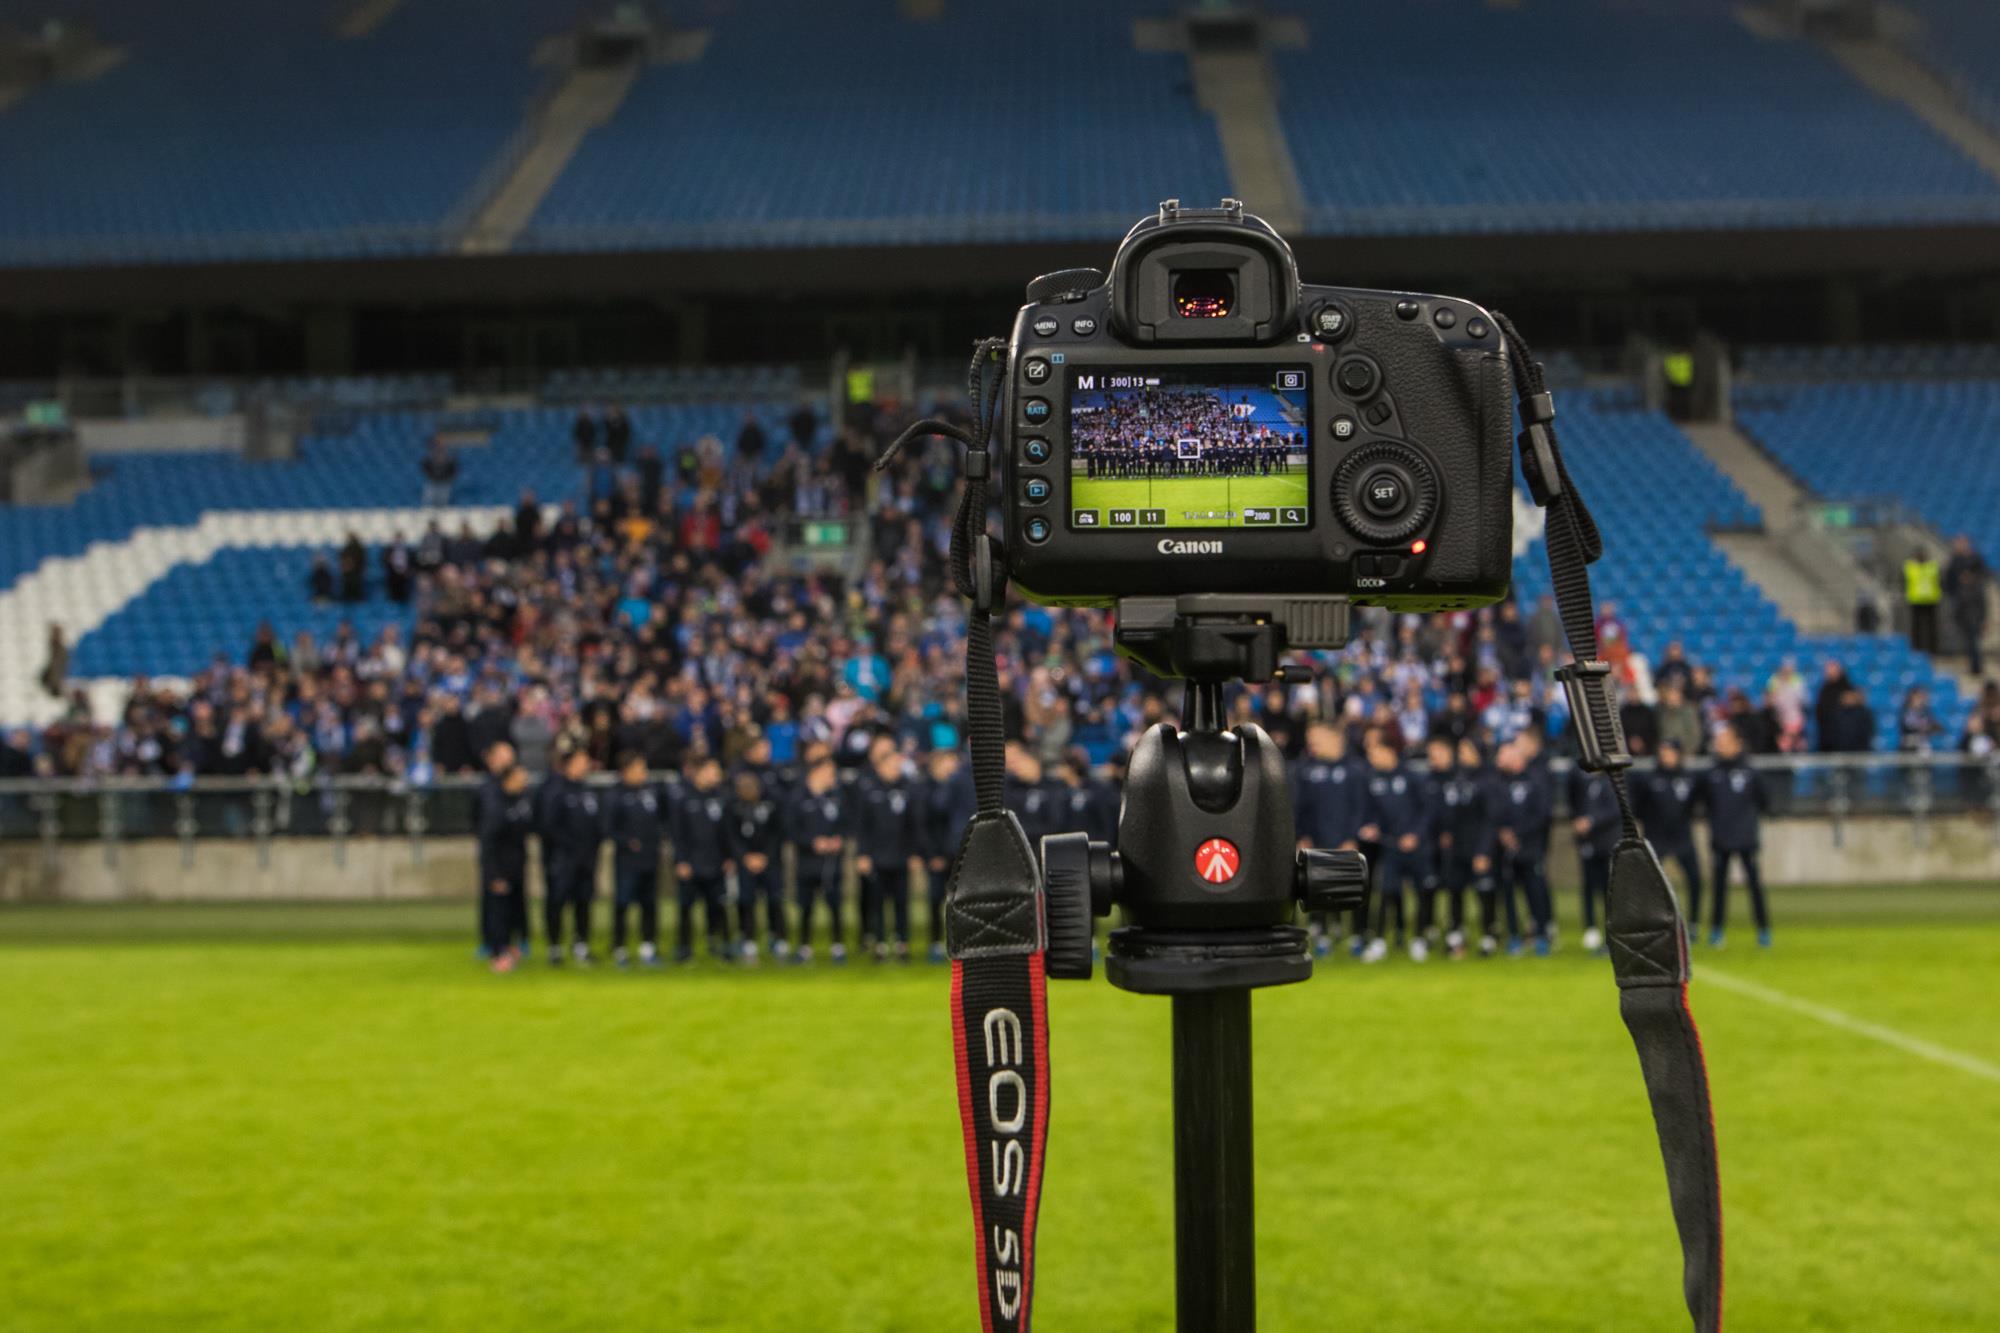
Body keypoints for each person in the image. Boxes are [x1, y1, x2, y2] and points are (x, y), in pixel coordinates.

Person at [1291, 720, 1368, 957]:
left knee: (1354, 887)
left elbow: (1360, 807)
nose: (1311, 743)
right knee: (1318, 886)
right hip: (1317, 841)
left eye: (1316, 737)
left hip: (1346, 842)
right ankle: (1322, 933)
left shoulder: (1354, 770)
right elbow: (1301, 807)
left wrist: (1351, 836)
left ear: (1334, 738)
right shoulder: (1307, 770)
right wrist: (1303, 835)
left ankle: (1357, 934)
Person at [1691, 723, 1771, 949]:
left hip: (1746, 837)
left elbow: (1764, 801)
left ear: (1737, 743)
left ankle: (1763, 929)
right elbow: (1700, 802)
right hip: (1721, 837)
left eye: (1725, 741)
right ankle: (1716, 930)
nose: (1721, 745)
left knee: (1754, 885)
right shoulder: (1711, 774)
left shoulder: (1750, 771)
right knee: (1718, 886)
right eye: (1719, 742)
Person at [1357, 733, 1424, 963]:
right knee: (1386, 892)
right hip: (1390, 846)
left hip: (1415, 846)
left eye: (1373, 753)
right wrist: (1372, 827)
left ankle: (1418, 939)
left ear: (1388, 751)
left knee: (1420, 891)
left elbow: (1425, 810)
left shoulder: (1412, 777)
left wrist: (1415, 834)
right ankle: (1379, 941)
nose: (1370, 758)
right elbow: (1369, 811)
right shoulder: (1372, 779)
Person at [854, 739, 922, 963]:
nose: (895, 769)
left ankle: (902, 943)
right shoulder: (869, 791)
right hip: (877, 856)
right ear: (880, 767)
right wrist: (862, 854)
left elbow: (914, 825)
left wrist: (914, 853)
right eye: (891, 765)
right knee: (878, 903)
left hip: (901, 855)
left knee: (902, 902)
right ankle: (881, 944)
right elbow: (862, 826)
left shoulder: (907, 789)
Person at [537, 744, 603, 965]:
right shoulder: (555, 791)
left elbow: (596, 826)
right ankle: (555, 947)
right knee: (557, 902)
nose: (586, 765)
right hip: (563, 859)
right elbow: (548, 826)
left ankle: (581, 945)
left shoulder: (587, 791)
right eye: (581, 760)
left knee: (583, 902)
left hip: (586, 859)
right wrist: (568, 848)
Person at [1491, 738, 1555, 955]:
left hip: (1530, 846)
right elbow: (1492, 812)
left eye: (1502, 755)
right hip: (1505, 849)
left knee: (1535, 890)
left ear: (1515, 758)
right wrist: (1502, 831)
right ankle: (1514, 936)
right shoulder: (1497, 782)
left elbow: (1542, 814)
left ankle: (1542, 935)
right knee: (1507, 892)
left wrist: (1518, 833)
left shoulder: (1536, 781)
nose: (1498, 759)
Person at [602, 750, 665, 968]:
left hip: (650, 857)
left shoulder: (651, 792)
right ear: (626, 770)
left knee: (649, 904)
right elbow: (608, 828)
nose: (643, 773)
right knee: (623, 903)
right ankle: (619, 947)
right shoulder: (615, 795)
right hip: (627, 861)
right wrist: (627, 842)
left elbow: (661, 821)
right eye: (639, 769)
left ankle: (648, 946)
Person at [670, 756, 734, 961]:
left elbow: (727, 832)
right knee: (686, 907)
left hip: (716, 862)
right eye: (713, 770)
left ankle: (720, 943)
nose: (717, 775)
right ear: (699, 772)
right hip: (692, 863)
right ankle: (684, 947)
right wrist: (681, 860)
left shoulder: (722, 797)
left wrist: (729, 856)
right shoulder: (684, 799)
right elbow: (677, 834)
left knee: (718, 905)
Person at [786, 753, 849, 964]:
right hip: (807, 863)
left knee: (835, 904)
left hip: (831, 863)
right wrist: (812, 842)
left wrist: (838, 840)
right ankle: (804, 947)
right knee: (806, 906)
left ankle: (838, 946)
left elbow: (846, 824)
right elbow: (791, 830)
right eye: (830, 772)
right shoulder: (798, 798)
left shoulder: (837, 797)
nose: (834, 777)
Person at [1439, 737, 1498, 958]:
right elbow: (1451, 812)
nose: (1461, 753)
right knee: (1455, 892)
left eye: (1466, 749)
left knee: (1484, 893)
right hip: (1457, 847)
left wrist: (1484, 850)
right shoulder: (1456, 779)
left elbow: (1490, 819)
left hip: (1477, 847)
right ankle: (1456, 937)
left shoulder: (1488, 781)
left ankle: (1488, 937)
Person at [1637, 738, 1705, 926]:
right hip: (1656, 836)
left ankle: (1693, 923)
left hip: (1682, 836)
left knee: (1695, 878)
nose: (1666, 756)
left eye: (1669, 752)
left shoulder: (1689, 778)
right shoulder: (1649, 780)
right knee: (1650, 882)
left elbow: (1693, 805)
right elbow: (1639, 808)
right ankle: (1649, 920)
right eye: (1663, 751)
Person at [476, 762, 536, 972]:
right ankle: (497, 953)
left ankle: (509, 947)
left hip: (516, 866)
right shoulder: (496, 806)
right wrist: (493, 875)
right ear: (509, 779)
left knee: (513, 910)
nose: (525, 780)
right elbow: (488, 844)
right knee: (497, 912)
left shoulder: (521, 801)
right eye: (521, 776)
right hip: (499, 868)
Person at [921, 747, 976, 963]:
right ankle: (936, 943)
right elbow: (928, 818)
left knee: (963, 898)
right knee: (936, 898)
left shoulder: (958, 784)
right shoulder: (928, 788)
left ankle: (962, 941)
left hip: (958, 850)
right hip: (939, 852)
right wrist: (931, 853)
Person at [728, 768, 786, 962]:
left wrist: (765, 856)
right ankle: (747, 940)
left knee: (775, 899)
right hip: (745, 863)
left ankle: (777, 938)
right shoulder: (734, 809)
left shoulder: (770, 806)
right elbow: (731, 836)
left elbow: (777, 833)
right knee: (745, 901)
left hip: (769, 861)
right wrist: (744, 856)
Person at [1567, 762, 1622, 955]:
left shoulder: (1612, 779)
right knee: (1589, 885)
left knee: (1611, 890)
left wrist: (1591, 821)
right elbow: (1572, 799)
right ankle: (1592, 928)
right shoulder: (1581, 777)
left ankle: (1613, 935)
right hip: (1588, 842)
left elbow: (1616, 809)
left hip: (1607, 842)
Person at [1944, 535, 1990, 678]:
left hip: (1973, 617)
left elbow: (1983, 604)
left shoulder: (1976, 587)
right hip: (1963, 615)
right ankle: (1972, 665)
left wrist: (1983, 620)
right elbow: (1947, 581)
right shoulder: (1954, 561)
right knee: (1967, 642)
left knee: (1973, 642)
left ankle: (1975, 667)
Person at [1904, 546, 1942, 656]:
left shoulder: (1932, 566)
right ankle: (1917, 650)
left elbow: (1939, 581)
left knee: (1932, 628)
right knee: (1916, 628)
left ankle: (1933, 651)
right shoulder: (1909, 567)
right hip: (1915, 601)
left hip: (1931, 600)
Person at [420, 439, 457, 507]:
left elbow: (453, 472)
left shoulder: (449, 461)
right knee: (428, 504)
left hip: (444, 484)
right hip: (432, 484)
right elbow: (425, 469)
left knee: (443, 504)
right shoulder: (429, 460)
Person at [381, 531, 414, 603]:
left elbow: (412, 562)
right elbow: (384, 560)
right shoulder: (389, 549)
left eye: (400, 538)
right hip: (393, 573)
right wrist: (389, 560)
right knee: (394, 590)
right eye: (397, 538)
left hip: (404, 573)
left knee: (404, 590)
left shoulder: (408, 550)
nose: (398, 541)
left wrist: (408, 570)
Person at [338, 532, 366, 603]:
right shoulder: (347, 548)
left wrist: (352, 564)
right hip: (348, 575)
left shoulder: (358, 549)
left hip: (356, 574)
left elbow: (362, 560)